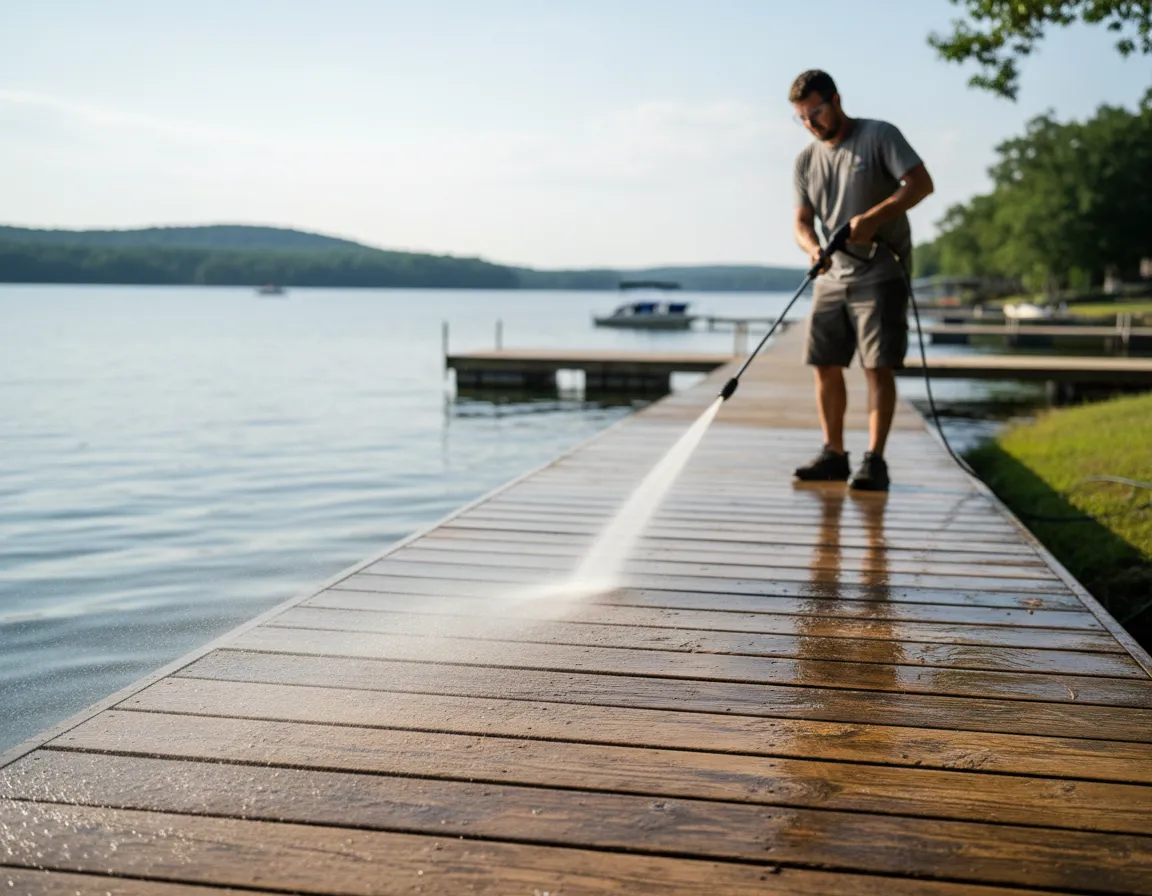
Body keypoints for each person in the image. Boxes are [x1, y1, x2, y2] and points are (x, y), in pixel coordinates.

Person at [789, 69, 934, 491]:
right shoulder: (805, 160)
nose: (811, 123)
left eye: (815, 112)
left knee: (876, 367)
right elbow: (800, 222)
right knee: (824, 364)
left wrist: (871, 218)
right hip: (830, 277)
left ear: (835, 100)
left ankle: (875, 461)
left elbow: (921, 184)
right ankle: (833, 454)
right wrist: (812, 249)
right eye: (801, 117)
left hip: (881, 272)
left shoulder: (880, 136)